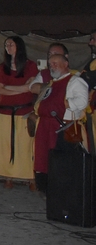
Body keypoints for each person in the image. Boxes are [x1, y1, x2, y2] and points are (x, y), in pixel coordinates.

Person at [31, 50, 89, 195]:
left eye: (55, 64)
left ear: (66, 64)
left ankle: (61, 195)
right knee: (43, 160)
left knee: (59, 162)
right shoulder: (50, 84)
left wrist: (66, 104)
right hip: (45, 127)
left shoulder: (75, 81)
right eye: (50, 64)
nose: (52, 67)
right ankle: (47, 191)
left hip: (62, 128)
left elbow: (82, 101)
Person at [0, 36, 37, 190]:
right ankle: (8, 176)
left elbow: (31, 87)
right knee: (6, 145)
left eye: (11, 44)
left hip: (24, 111)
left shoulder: (30, 65)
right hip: (6, 112)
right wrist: (21, 88)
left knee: (25, 145)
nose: (8, 47)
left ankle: (31, 178)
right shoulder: (2, 67)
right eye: (6, 44)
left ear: (19, 46)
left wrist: (9, 88)